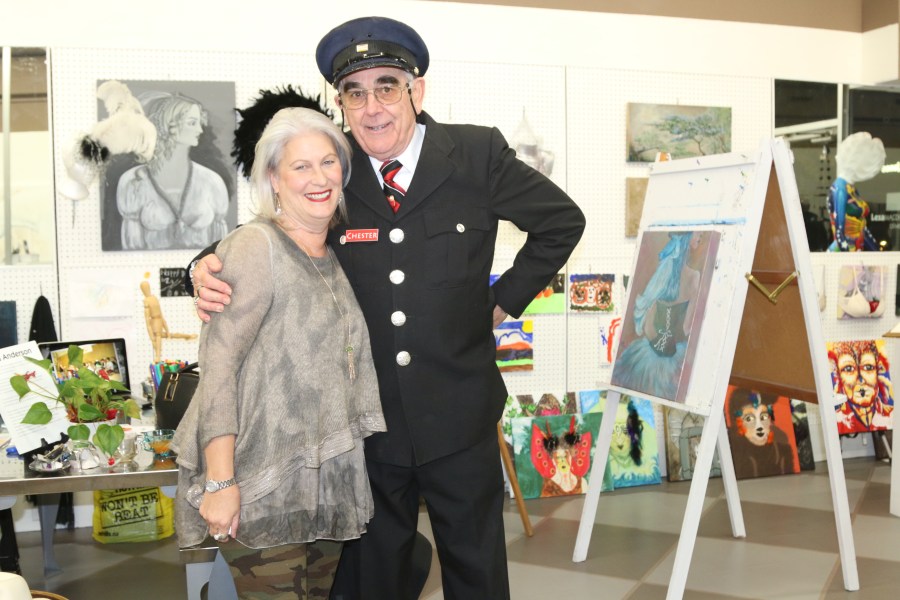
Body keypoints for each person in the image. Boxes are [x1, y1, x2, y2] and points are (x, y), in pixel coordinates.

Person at [189, 16, 585, 599]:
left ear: (416, 90)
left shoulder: (475, 153)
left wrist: (503, 302)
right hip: (368, 427)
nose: (371, 107)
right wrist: (205, 264)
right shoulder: (335, 166)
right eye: (354, 92)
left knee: (477, 572)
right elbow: (274, 229)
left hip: (459, 414)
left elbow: (562, 222)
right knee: (374, 579)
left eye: (386, 87)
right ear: (340, 103)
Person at [171, 107, 386, 599]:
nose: (319, 178)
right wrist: (220, 482)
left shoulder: (332, 253)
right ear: (273, 178)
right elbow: (219, 368)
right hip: (259, 484)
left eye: (328, 162)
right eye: (301, 166)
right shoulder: (256, 245)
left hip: (322, 485)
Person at [117, 91, 229, 250]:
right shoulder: (133, 182)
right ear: (168, 126)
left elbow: (221, 249)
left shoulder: (212, 182)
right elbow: (131, 247)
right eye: (192, 123)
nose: (200, 130)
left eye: (199, 123)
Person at [611, 231, 707, 402]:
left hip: (647, 354)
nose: (701, 237)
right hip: (673, 354)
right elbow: (687, 327)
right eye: (698, 234)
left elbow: (648, 326)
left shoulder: (662, 276)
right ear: (687, 238)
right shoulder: (694, 277)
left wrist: (658, 341)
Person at [827, 131, 886, 251]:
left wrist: (876, 252)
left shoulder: (851, 189)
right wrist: (847, 256)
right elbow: (839, 232)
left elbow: (862, 228)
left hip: (856, 248)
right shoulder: (840, 189)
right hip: (844, 251)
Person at [827, 339, 894, 434]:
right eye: (848, 369)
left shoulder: (893, 415)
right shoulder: (836, 421)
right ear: (838, 376)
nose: (861, 380)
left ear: (877, 371)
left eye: (868, 367)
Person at [725, 388, 794, 479]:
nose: (759, 426)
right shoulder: (733, 454)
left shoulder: (782, 452)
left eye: (763, 417)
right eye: (749, 419)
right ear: (737, 423)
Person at [140, 280, 197, 363]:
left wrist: (166, 330)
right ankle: (187, 336)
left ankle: (187, 336)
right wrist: (152, 336)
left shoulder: (152, 299)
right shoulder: (148, 300)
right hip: (155, 322)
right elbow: (148, 321)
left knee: (164, 336)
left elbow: (160, 315)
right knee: (160, 336)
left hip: (158, 321)